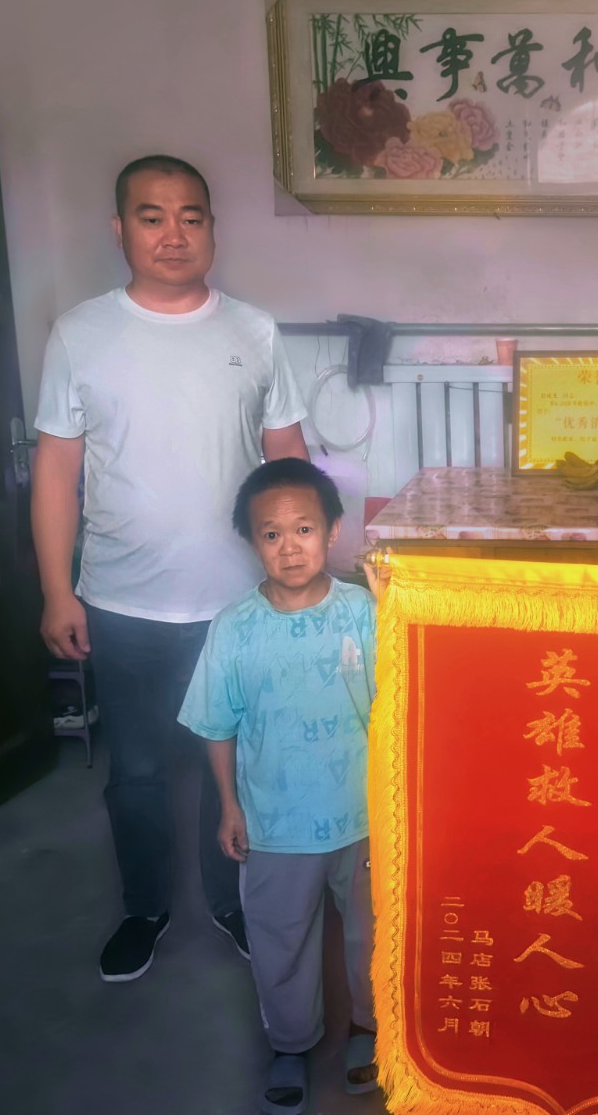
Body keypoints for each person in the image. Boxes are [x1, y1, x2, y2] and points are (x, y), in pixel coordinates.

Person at [31, 155, 309, 983]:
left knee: (243, 765)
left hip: (240, 602)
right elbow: (56, 472)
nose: (173, 233)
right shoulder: (80, 333)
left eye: (192, 216)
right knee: (140, 772)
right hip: (124, 602)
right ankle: (145, 907)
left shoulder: (253, 332)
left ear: (213, 230)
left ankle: (232, 900)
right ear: (120, 229)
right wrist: (57, 590)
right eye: (151, 217)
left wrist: (301, 573)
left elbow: (287, 458)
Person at [179, 458, 378, 1114]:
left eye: (304, 529)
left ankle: (369, 1027)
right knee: (279, 938)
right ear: (252, 541)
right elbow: (217, 724)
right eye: (272, 534)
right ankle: (290, 1042)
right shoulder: (234, 628)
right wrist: (229, 806)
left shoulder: (364, 614)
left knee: (372, 934)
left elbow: (401, 702)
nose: (290, 548)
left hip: (362, 815)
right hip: (275, 822)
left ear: (333, 531)